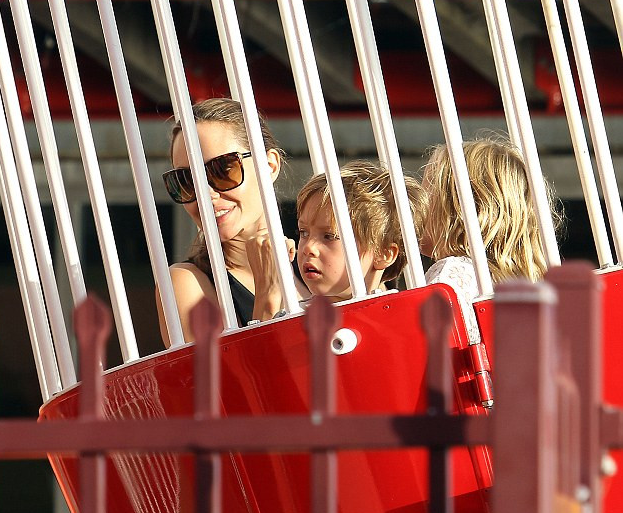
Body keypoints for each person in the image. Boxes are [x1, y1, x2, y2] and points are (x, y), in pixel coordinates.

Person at [156, 98, 306, 345]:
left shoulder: (316, 260)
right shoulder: (187, 284)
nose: (205, 195)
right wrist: (268, 297)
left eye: (223, 170)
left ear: (269, 166)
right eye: (185, 180)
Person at [415, 136, 564, 342]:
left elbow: (421, 349)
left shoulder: (454, 275)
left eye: (426, 192)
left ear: (459, 209)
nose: (416, 203)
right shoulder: (532, 284)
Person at [295, 160, 417, 303]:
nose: (309, 247)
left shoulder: (401, 315)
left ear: (383, 253)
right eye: (304, 233)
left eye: (329, 236)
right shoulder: (291, 313)